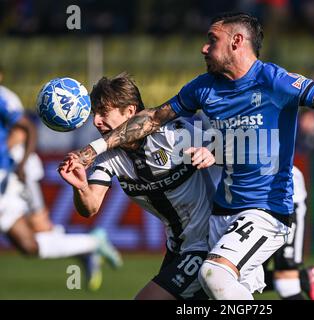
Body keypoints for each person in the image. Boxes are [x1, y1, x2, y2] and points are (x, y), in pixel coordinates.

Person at [64, 12, 314, 300]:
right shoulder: (203, 87)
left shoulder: (274, 81)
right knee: (217, 290)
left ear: (237, 42)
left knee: (215, 275)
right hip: (220, 215)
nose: (203, 48)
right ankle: (300, 280)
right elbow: (152, 119)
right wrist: (90, 150)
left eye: (212, 40)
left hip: (265, 211)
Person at [58, 73, 217, 300]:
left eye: (104, 112)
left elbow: (233, 147)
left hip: (207, 243)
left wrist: (211, 150)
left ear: (130, 112)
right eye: (95, 114)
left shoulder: (174, 134)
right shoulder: (108, 157)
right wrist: (80, 186)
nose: (96, 121)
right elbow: (90, 207)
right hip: (177, 248)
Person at [0, 69, 122, 292]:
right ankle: (89, 245)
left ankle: (90, 245)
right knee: (29, 246)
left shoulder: (4, 98)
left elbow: (24, 130)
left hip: (11, 174)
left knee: (41, 229)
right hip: (11, 176)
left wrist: (19, 163)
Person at [263, 166, 314, 300]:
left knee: (286, 283)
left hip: (284, 201)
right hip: (238, 203)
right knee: (239, 277)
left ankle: (300, 278)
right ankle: (304, 277)